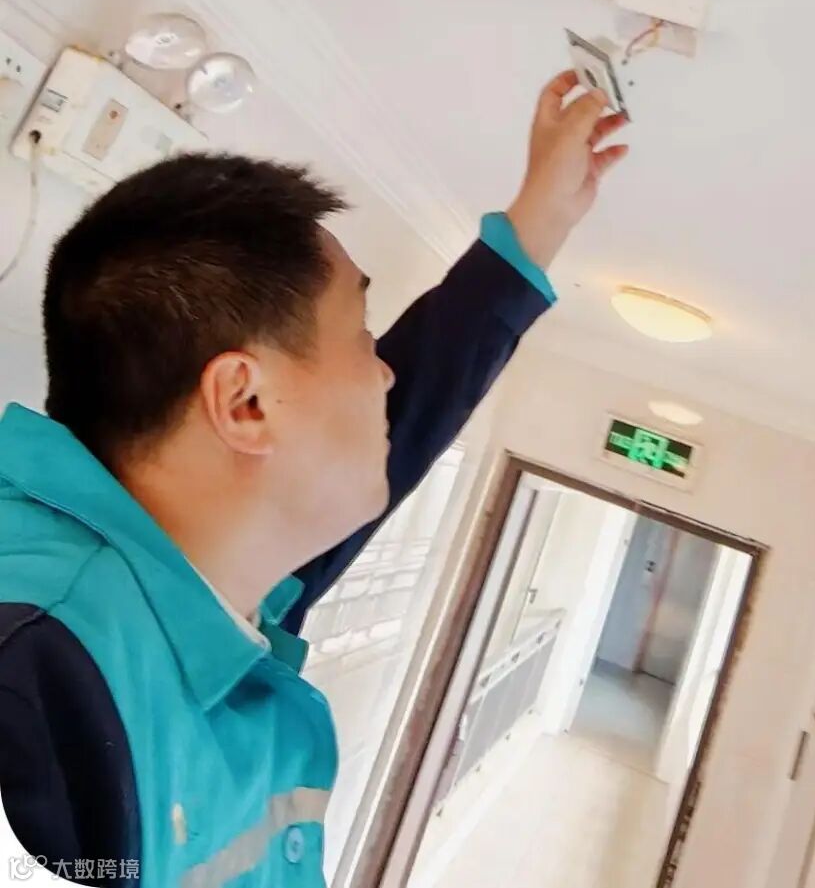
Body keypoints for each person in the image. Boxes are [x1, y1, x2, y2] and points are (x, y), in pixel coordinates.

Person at [0, 73, 627, 887]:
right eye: (363, 339)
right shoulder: (36, 687)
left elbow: (414, 407)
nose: (385, 377)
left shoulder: (205, 589)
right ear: (246, 402)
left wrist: (537, 222)